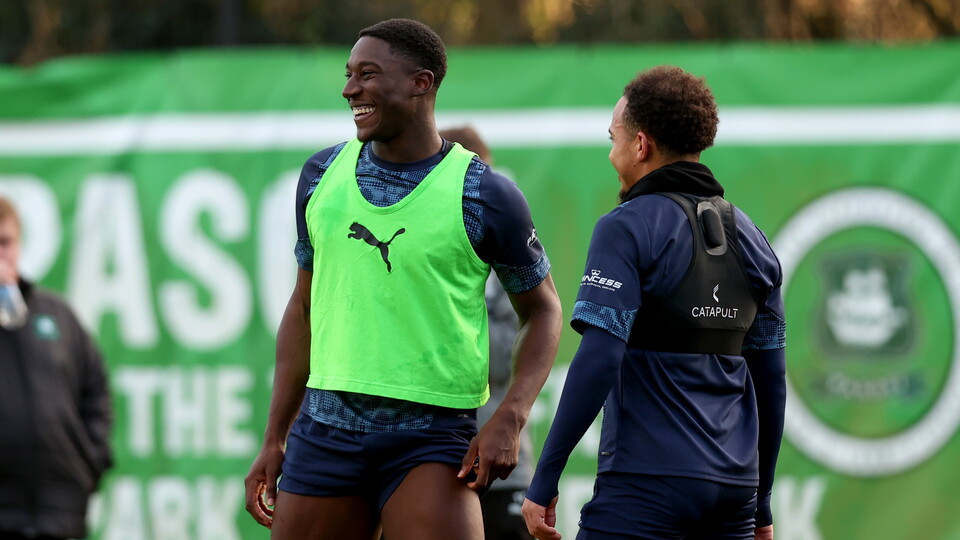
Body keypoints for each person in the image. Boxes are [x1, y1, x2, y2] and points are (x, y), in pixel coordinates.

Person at [244, 19, 563, 540]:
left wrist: (511, 414)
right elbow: (302, 309)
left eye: (367, 74)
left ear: (421, 83)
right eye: (349, 75)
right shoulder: (320, 176)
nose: (350, 89)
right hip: (325, 432)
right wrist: (274, 436)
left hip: (432, 440)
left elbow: (544, 310)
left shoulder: (484, 194)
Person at [521, 66, 787, 540]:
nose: (611, 153)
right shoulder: (754, 240)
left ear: (640, 145)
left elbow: (599, 358)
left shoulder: (625, 226)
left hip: (645, 485)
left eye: (614, 139)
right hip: (734, 495)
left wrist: (544, 478)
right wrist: (760, 502)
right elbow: (771, 380)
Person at [439, 126, 537, 540]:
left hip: (499, 464)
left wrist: (453, 312)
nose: (482, 194)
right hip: (432, 464)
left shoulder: (507, 253)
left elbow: (505, 358)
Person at [0, 196, 113, 540]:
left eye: (5, 242)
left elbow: (96, 391)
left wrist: (87, 463)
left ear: (19, 243)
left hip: (59, 511)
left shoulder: (57, 315)